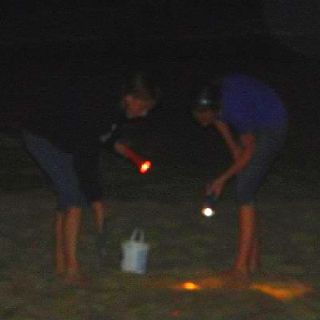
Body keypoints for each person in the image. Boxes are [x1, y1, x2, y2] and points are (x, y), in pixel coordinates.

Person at [22, 72, 160, 286]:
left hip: (66, 141)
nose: (144, 114)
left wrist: (134, 157)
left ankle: (60, 263)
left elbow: (106, 138)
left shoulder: (115, 111)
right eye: (143, 107)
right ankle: (71, 271)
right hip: (43, 137)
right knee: (73, 202)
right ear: (130, 98)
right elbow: (88, 158)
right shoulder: (101, 109)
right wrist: (96, 200)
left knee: (66, 200)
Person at [192, 73, 288, 284]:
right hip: (255, 119)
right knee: (247, 185)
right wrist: (235, 149)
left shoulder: (234, 107)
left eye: (205, 117)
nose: (204, 123)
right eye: (199, 118)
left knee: (244, 190)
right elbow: (221, 124)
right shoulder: (215, 100)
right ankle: (253, 263)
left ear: (214, 109)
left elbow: (250, 146)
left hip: (271, 124)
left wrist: (222, 179)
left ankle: (241, 268)